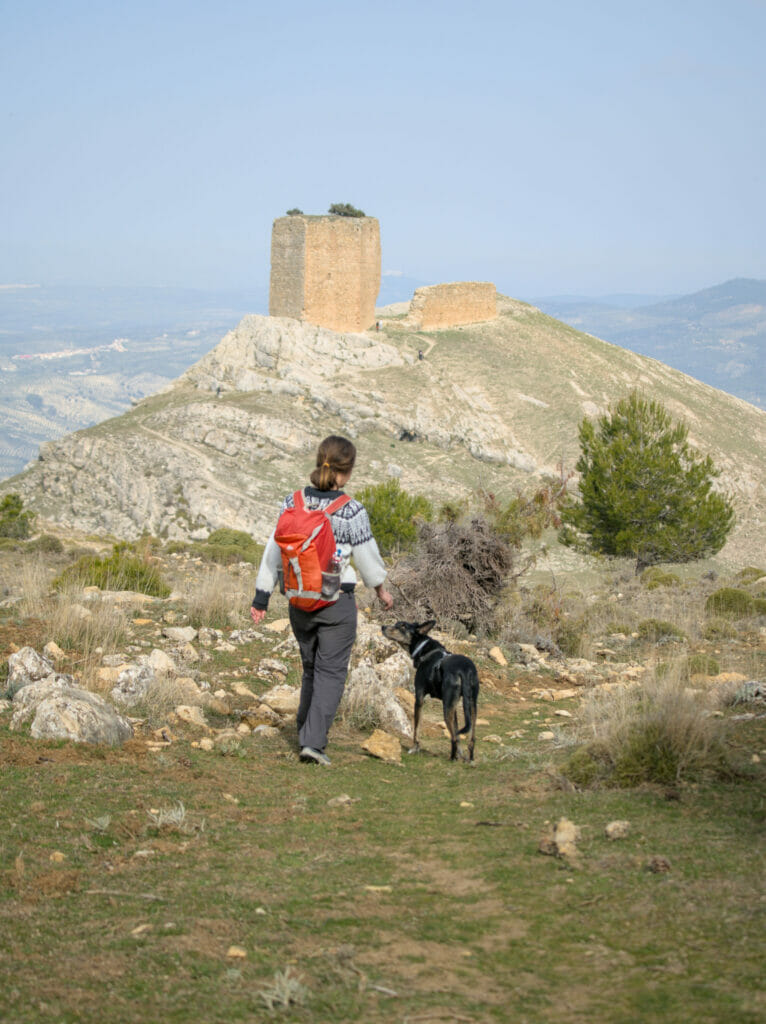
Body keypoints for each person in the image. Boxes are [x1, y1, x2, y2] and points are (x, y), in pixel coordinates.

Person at [251, 435, 394, 765]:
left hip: (298, 601)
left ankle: (306, 733)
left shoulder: (293, 502)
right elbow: (368, 558)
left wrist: (261, 597)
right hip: (334, 602)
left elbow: (274, 550)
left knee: (311, 670)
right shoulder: (351, 510)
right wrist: (381, 590)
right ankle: (312, 744)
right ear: (347, 471)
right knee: (331, 673)